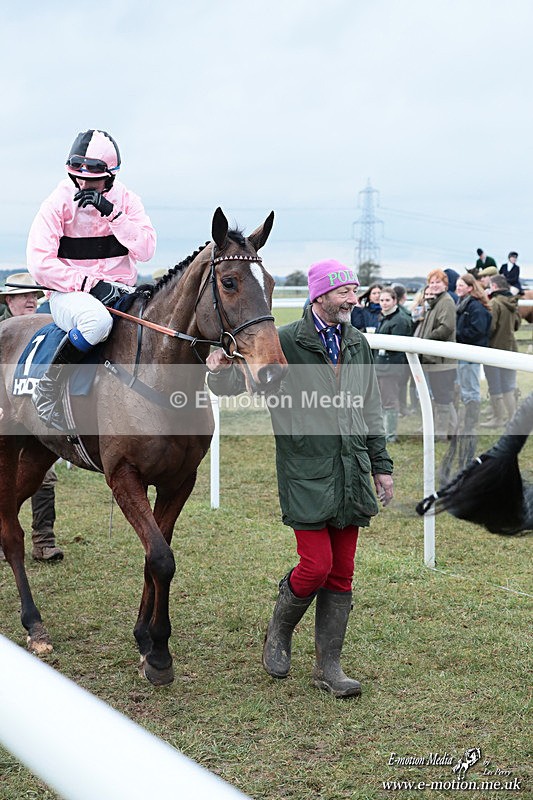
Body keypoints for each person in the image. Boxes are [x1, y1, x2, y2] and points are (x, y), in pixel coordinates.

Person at [207, 259, 393, 698]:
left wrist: (381, 466)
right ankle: (279, 629)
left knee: (342, 571)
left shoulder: (357, 344)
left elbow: (370, 409)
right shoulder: (286, 340)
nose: (353, 299)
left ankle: (329, 666)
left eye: (354, 291)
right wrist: (219, 372)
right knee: (316, 565)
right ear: (320, 296)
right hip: (305, 471)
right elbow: (236, 385)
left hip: (351, 471)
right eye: (344, 291)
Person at [27, 129, 156, 431]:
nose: (84, 185)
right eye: (78, 177)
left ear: (110, 177)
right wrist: (88, 285)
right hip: (66, 295)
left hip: (122, 290)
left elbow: (146, 249)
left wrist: (112, 213)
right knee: (97, 322)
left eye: (93, 180)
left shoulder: (128, 201)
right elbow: (40, 264)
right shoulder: (55, 203)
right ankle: (48, 389)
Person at [0, 274, 63, 562]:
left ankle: (43, 540)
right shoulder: (4, 334)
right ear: (8, 301)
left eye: (34, 296)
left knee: (44, 476)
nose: (30, 300)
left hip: (35, 414)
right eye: (24, 296)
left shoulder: (46, 332)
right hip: (5, 417)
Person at [414, 270, 457, 441]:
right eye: (431, 282)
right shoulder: (435, 302)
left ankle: (442, 432)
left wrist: (425, 340)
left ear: (445, 285)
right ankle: (450, 429)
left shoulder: (446, 301)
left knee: (442, 396)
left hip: (442, 358)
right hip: (434, 356)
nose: (434, 285)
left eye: (438, 282)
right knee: (441, 395)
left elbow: (446, 328)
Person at [454, 273, 492, 469]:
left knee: (471, 389)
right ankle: (468, 420)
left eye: (461, 285)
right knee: (466, 388)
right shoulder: (464, 304)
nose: (457, 288)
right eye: (457, 285)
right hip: (464, 352)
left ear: (470, 287)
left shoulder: (474, 307)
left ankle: (471, 421)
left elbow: (478, 330)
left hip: (471, 353)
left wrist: (456, 334)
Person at [480, 274, 522, 427]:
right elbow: (517, 325)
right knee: (508, 385)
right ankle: (513, 418)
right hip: (511, 347)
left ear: (495, 287)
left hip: (495, 348)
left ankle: (498, 418)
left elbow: (491, 327)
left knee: (495, 385)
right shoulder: (513, 302)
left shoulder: (495, 303)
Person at [375, 287, 413, 442]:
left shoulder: (399, 320)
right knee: (383, 400)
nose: (384, 303)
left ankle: (390, 435)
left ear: (395, 300)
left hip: (391, 367)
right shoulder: (386, 317)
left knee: (389, 401)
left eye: (387, 300)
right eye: (381, 300)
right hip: (382, 365)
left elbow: (398, 348)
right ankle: (384, 431)